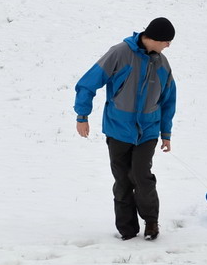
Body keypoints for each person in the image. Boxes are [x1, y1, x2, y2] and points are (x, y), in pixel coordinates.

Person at [74, 17, 177, 241]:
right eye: (167, 41)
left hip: (147, 131)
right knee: (122, 180)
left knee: (141, 176)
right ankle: (127, 230)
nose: (168, 46)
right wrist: (82, 115)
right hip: (118, 129)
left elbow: (169, 100)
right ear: (154, 38)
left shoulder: (162, 64)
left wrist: (165, 133)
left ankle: (151, 222)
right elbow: (88, 82)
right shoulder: (120, 53)